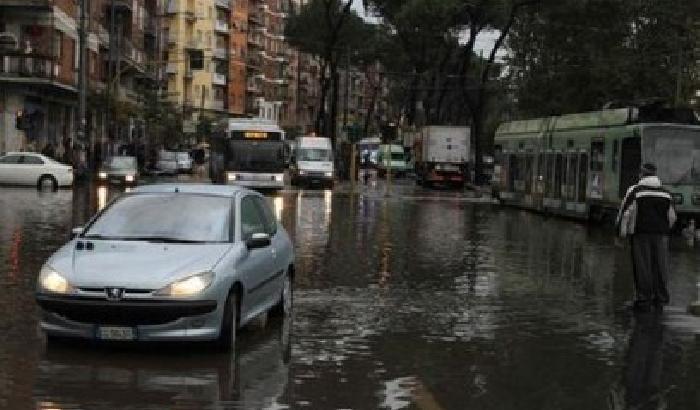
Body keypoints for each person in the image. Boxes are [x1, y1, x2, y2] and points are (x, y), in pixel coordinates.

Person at [616, 163, 676, 312]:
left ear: (642, 174)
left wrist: (621, 234)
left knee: (643, 266)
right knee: (660, 266)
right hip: (661, 235)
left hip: (640, 234)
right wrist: (664, 229)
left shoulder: (635, 191)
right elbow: (672, 217)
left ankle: (643, 299)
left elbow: (625, 213)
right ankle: (660, 299)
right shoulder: (666, 193)